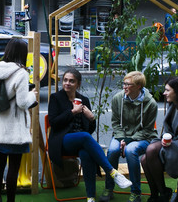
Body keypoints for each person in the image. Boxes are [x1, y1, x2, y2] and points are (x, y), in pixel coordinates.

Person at [48, 68, 132, 202]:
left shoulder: (84, 100)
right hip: (62, 141)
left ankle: (90, 197)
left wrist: (92, 118)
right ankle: (112, 172)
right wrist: (72, 112)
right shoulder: (56, 98)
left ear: (78, 84)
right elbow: (54, 123)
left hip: (81, 141)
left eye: (71, 81)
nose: (67, 83)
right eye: (65, 80)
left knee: (86, 153)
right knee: (85, 137)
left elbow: (89, 129)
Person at [0, 38, 37, 202]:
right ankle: (11, 200)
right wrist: (32, 96)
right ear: (22, 54)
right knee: (14, 167)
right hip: (15, 129)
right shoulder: (21, 73)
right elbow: (22, 102)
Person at [102, 71, 158, 202]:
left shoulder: (151, 103)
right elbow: (115, 122)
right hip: (122, 135)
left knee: (130, 150)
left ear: (139, 86)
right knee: (112, 151)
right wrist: (122, 139)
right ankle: (109, 188)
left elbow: (148, 129)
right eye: (124, 83)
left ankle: (136, 192)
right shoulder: (118, 99)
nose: (124, 87)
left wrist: (129, 141)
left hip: (143, 137)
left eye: (128, 84)